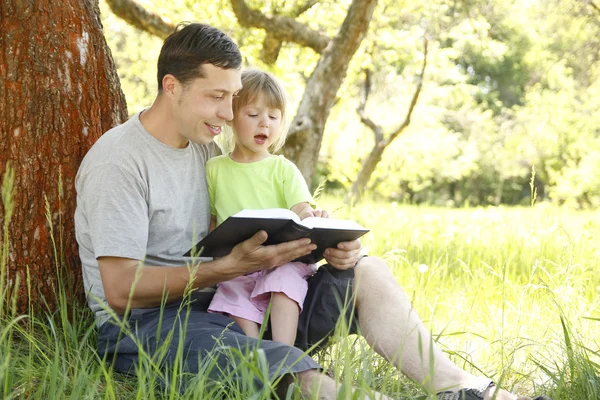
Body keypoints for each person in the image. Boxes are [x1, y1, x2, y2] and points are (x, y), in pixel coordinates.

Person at [74, 22, 549, 400]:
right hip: (152, 326)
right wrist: (226, 268)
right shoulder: (120, 162)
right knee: (299, 376)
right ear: (171, 86)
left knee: (367, 271)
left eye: (231, 98)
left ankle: (465, 390)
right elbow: (119, 289)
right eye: (216, 98)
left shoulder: (204, 146)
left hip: (234, 298)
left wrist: (324, 246)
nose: (226, 114)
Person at [206, 68, 325, 346]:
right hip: (239, 265)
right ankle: (257, 363)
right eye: (253, 115)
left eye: (273, 117)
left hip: (282, 260)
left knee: (284, 282)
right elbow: (212, 222)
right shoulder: (214, 169)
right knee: (234, 295)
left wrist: (314, 217)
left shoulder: (283, 169)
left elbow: (302, 211)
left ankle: (285, 355)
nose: (264, 124)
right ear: (232, 116)